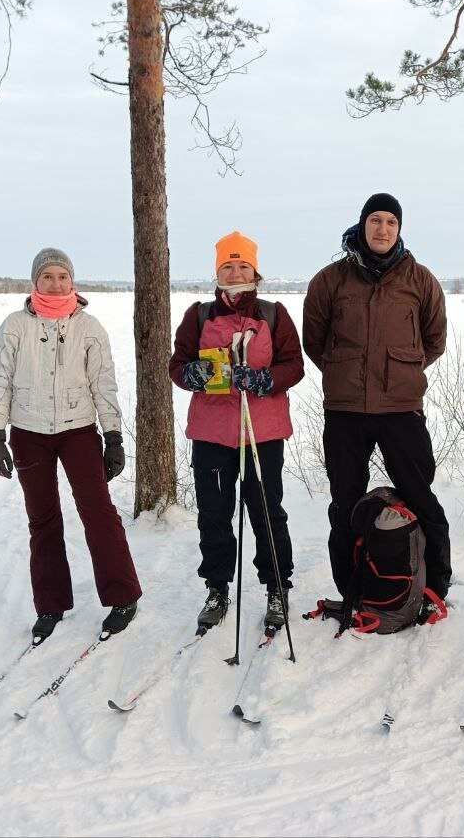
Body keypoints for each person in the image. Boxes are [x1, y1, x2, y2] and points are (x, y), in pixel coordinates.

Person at [0, 247, 142, 645]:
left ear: (73, 281)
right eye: (48, 277)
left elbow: (103, 383)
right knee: (43, 519)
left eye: (62, 277)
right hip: (28, 433)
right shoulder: (15, 325)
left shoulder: (88, 327)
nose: (56, 283)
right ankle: (50, 604)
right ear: (35, 282)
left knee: (98, 512)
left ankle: (123, 596)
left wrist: (114, 436)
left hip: (78, 431)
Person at [302, 193, 451, 613]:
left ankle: (434, 585)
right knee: (345, 503)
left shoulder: (420, 280)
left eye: (390, 221)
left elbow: (434, 340)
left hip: (401, 409)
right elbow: (314, 341)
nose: (382, 229)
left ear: (399, 229)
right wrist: (344, 371)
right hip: (345, 411)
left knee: (420, 497)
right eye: (375, 221)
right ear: (362, 225)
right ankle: (353, 590)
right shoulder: (331, 280)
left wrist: (401, 371)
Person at [169, 232, 304, 633]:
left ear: (255, 271)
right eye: (228, 266)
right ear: (217, 272)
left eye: (243, 265)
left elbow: (293, 366)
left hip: (262, 432)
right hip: (212, 435)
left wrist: (265, 379)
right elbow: (178, 365)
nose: (235, 272)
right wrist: (192, 373)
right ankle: (217, 586)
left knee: (266, 512)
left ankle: (277, 587)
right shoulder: (198, 315)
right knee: (214, 515)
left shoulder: (274, 314)